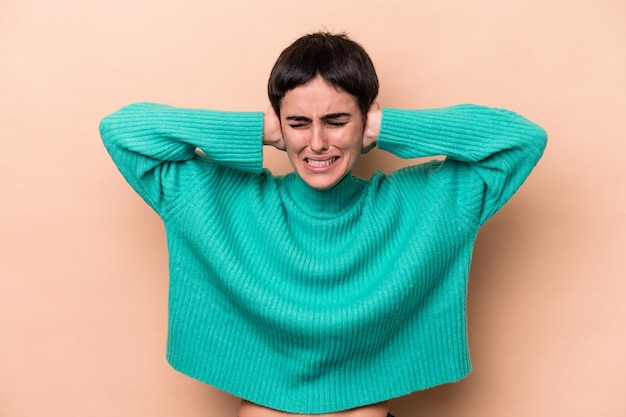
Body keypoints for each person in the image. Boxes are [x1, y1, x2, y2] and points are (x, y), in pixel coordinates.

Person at [100, 32, 547, 417]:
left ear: (365, 120)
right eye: (298, 123)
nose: (317, 142)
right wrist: (259, 130)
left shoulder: (422, 203)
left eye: (336, 121)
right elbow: (123, 130)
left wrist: (387, 127)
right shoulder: (221, 201)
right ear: (279, 122)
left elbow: (521, 141)